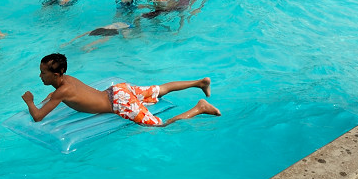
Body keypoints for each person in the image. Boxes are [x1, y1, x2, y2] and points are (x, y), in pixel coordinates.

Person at [22, 53, 220, 125]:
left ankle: (199, 108)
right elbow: (64, 94)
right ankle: (199, 82)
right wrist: (51, 96)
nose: (40, 76)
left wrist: (30, 102)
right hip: (118, 90)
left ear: (56, 75)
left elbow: (38, 117)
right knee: (161, 88)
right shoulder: (68, 80)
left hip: (120, 103)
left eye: (43, 73)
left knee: (161, 125)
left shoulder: (61, 92)